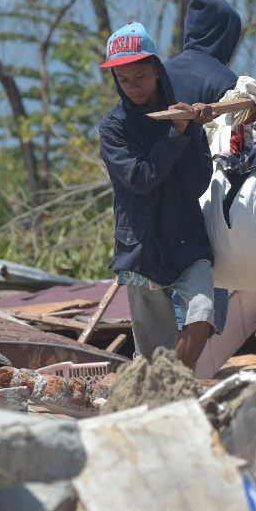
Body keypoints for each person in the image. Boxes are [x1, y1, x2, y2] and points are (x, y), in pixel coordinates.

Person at [98, 22, 216, 369]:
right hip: (141, 249)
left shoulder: (183, 115)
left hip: (187, 241)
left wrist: (191, 131)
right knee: (153, 354)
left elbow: (199, 182)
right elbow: (139, 177)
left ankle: (176, 386)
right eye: (124, 80)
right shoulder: (114, 128)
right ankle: (164, 398)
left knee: (201, 317)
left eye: (141, 77)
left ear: (157, 72)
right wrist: (176, 136)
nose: (133, 87)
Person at [163, 0, 243, 338]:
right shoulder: (225, 81)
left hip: (154, 200)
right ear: (225, 35)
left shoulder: (159, 73)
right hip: (202, 202)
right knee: (199, 311)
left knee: (163, 309)